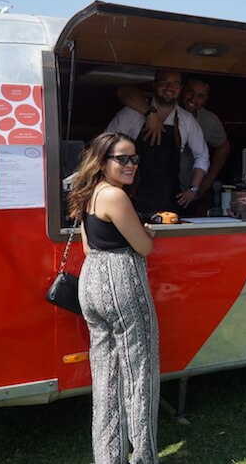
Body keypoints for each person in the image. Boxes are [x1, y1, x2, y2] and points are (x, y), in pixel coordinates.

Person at [66, 132, 159, 464]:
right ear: (103, 161)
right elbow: (143, 247)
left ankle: (108, 457)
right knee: (140, 373)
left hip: (91, 281)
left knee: (105, 376)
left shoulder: (88, 193)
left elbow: (89, 246)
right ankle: (143, 457)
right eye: (122, 158)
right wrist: (146, 233)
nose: (130, 164)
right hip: (122, 282)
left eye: (134, 158)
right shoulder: (116, 197)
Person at [118, 76, 230, 213]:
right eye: (191, 92)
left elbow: (205, 155)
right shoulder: (133, 113)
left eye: (200, 96)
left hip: (173, 195)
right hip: (134, 193)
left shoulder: (192, 120)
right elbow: (123, 91)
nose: (193, 99)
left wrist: (197, 188)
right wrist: (151, 114)